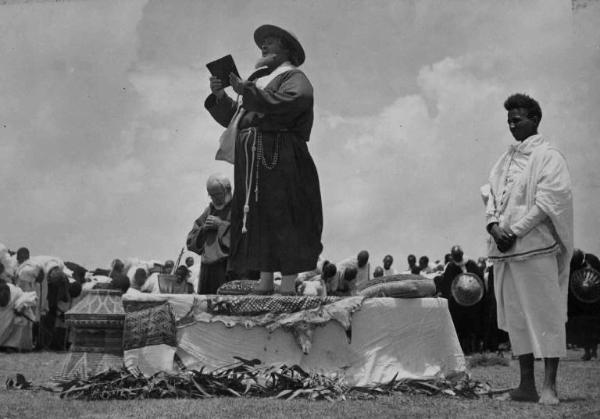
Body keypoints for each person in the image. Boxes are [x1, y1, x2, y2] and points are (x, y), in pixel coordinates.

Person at [205, 24, 323, 295]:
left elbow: (296, 99)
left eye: (271, 42)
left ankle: (289, 284)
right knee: (259, 218)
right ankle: (266, 279)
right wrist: (221, 95)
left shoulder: (294, 77)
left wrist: (247, 90)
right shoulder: (260, 82)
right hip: (257, 161)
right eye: (263, 42)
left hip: (281, 157)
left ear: (286, 51)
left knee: (284, 217)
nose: (264, 46)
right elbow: (242, 118)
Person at [482, 93, 573, 405]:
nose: (511, 125)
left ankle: (549, 386)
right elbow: (490, 195)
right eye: (508, 120)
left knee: (545, 316)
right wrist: (494, 226)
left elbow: (548, 202)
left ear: (535, 119)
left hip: (536, 249)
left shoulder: (550, 156)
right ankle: (525, 386)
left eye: (517, 119)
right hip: (505, 251)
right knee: (517, 319)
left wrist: (515, 230)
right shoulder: (503, 159)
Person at [187, 174, 233, 294]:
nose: (215, 199)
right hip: (207, 269)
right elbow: (191, 239)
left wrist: (220, 225)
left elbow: (244, 237)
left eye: (218, 194)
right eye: (212, 195)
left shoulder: (238, 209)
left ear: (227, 190)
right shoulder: (209, 211)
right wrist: (203, 229)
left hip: (228, 267)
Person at [435, 245, 485, 354]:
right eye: (455, 256)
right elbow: (447, 284)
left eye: (458, 256)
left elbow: (479, 280)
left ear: (462, 255)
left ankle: (475, 348)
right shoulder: (451, 267)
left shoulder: (471, 264)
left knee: (474, 324)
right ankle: (463, 349)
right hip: (457, 304)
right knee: (460, 326)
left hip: (473, 302)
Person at [567, 249, 600, 361]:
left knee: (592, 328)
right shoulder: (573, 268)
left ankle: (593, 350)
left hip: (593, 304)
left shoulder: (592, 260)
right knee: (584, 329)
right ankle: (588, 351)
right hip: (580, 306)